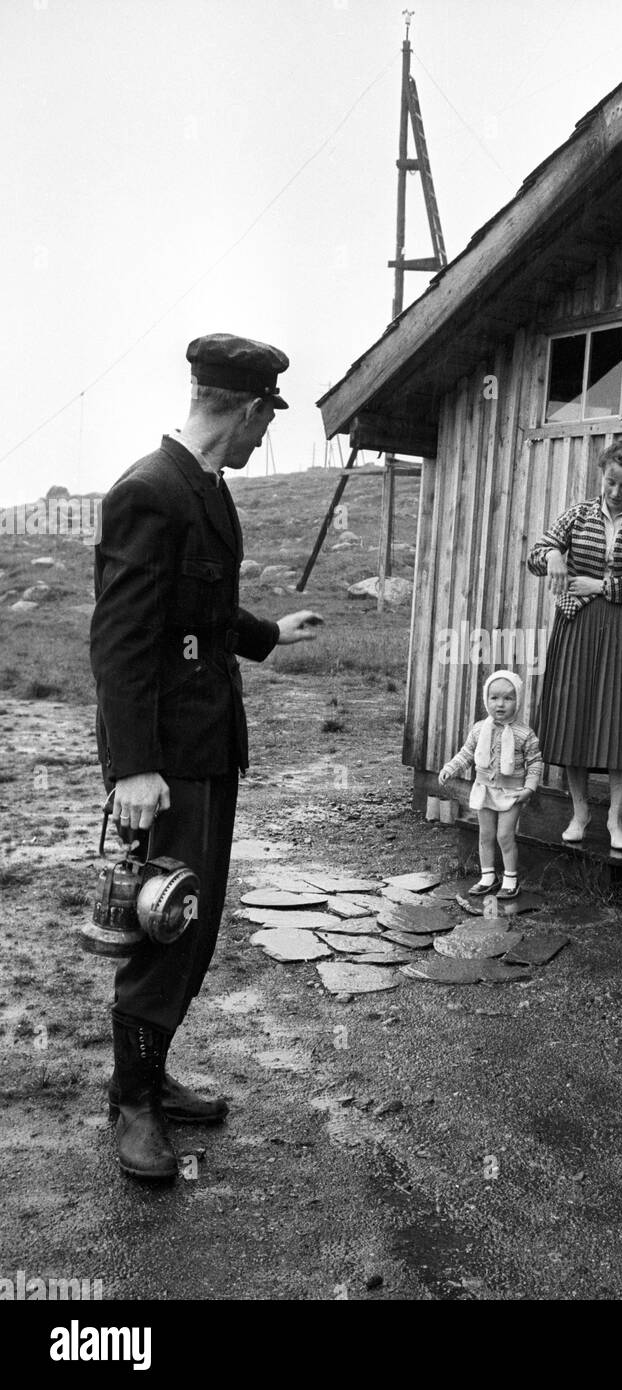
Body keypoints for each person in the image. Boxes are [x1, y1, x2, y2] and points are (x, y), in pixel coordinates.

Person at [89, 332, 323, 1180]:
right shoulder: (151, 491)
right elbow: (121, 642)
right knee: (163, 921)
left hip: (209, 746)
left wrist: (266, 634)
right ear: (252, 410)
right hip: (167, 761)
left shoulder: (206, 491)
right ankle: (134, 1106)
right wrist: (135, 768)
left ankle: (147, 1074)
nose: (266, 438)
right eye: (267, 421)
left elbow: (202, 608)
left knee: (192, 923)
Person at [527, 439, 622, 851]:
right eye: (610, 482)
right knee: (576, 715)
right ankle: (580, 811)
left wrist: (600, 585)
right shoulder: (577, 515)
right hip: (577, 625)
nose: (615, 493)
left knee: (620, 719)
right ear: (602, 476)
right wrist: (552, 554)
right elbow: (536, 554)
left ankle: (616, 817)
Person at [438, 669, 542, 898]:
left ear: (518, 700)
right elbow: (466, 753)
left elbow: (535, 763)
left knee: (505, 835)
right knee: (485, 835)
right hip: (484, 789)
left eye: (508, 697)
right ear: (486, 700)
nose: (500, 704)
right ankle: (488, 877)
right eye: (494, 698)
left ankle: (510, 880)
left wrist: (529, 788)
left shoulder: (524, 734)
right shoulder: (479, 729)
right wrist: (450, 768)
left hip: (511, 791)